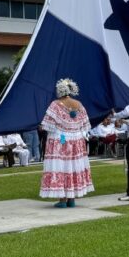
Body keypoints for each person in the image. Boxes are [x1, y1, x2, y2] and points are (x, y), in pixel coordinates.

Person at [40, 78, 94, 207]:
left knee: (62, 167)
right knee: (73, 167)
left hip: (61, 139)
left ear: (60, 91)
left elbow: (48, 125)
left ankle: (63, 200)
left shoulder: (55, 104)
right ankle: (72, 198)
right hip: (76, 140)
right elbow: (85, 125)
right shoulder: (79, 104)